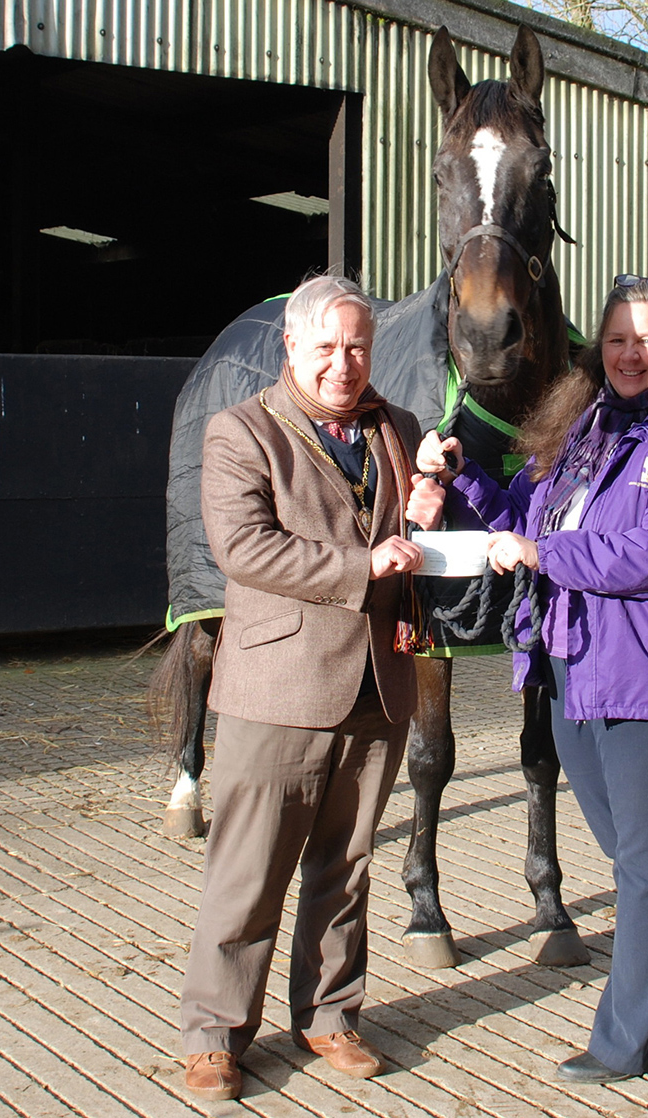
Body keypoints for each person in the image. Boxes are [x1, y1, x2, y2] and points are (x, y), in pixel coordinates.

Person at [417, 274, 648, 1082]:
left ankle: (630, 1041)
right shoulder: (584, 427)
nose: (631, 354)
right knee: (641, 852)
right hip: (567, 670)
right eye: (618, 339)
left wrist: (547, 556)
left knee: (647, 862)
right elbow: (526, 520)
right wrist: (462, 480)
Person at [180, 274, 444, 1101]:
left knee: (347, 864)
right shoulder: (241, 432)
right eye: (326, 347)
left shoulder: (398, 428)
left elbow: (407, 536)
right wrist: (364, 566)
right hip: (278, 687)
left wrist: (431, 506)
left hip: (378, 680)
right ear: (290, 346)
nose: (343, 363)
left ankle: (329, 1015)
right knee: (251, 867)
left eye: (358, 346)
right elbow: (245, 549)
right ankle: (216, 1034)